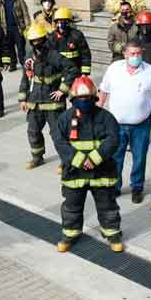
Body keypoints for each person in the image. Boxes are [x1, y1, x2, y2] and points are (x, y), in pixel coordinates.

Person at [51, 76, 123, 252]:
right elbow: (59, 142)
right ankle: (70, 235)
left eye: (87, 98)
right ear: (73, 100)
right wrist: (80, 161)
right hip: (75, 173)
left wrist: (94, 158)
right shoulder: (64, 119)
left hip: (102, 172)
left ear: (94, 98)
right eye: (80, 99)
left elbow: (113, 140)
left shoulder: (106, 117)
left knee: (108, 206)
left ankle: (112, 234)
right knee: (72, 207)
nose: (84, 102)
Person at [98, 38, 151, 203]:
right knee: (115, 157)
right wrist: (97, 115)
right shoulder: (114, 69)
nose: (136, 56)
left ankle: (137, 187)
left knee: (139, 158)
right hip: (116, 125)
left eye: (138, 53)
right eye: (132, 53)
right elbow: (103, 92)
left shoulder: (150, 71)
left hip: (141, 125)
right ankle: (115, 186)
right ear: (125, 54)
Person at [19, 25, 78, 170]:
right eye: (33, 41)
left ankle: (66, 161)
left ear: (44, 40)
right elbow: (26, 78)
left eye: (39, 40)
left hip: (53, 103)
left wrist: (62, 90)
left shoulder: (54, 55)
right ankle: (37, 157)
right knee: (33, 131)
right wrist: (22, 98)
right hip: (35, 103)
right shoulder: (29, 58)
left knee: (58, 134)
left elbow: (72, 69)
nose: (36, 43)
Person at [0, 0, 31, 70]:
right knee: (9, 47)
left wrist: (27, 25)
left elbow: (25, 13)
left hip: (18, 28)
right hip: (6, 29)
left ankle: (23, 63)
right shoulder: (0, 2)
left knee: (20, 47)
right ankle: (13, 64)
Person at [50, 7, 92, 76]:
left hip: (75, 73)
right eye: (60, 21)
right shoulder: (52, 37)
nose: (62, 24)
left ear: (69, 22)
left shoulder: (77, 35)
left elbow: (85, 54)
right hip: (58, 74)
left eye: (65, 22)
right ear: (56, 23)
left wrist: (84, 74)